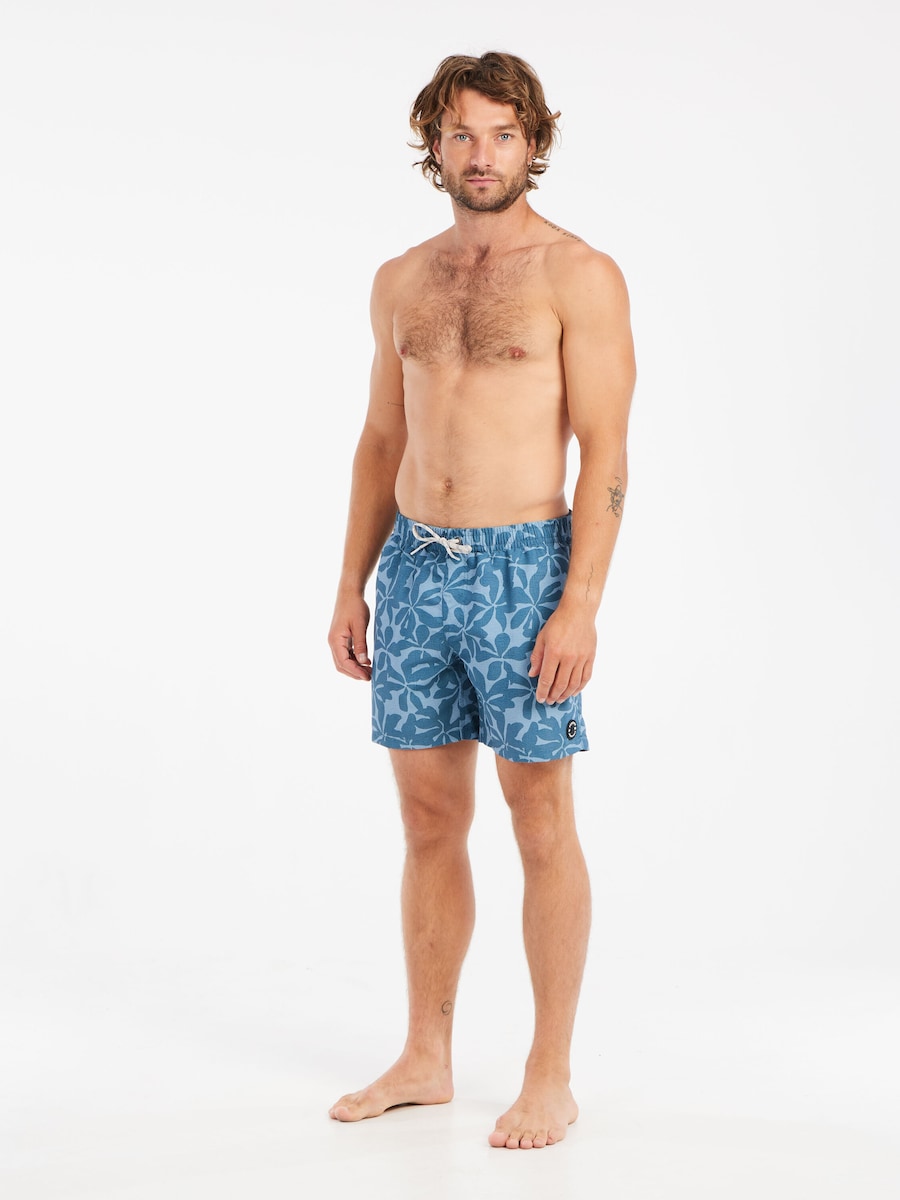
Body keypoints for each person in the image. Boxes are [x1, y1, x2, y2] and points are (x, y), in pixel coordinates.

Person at [326, 50, 635, 1150]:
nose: (482, 154)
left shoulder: (578, 275)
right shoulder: (401, 280)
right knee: (426, 819)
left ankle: (550, 1074)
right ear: (435, 145)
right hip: (414, 568)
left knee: (539, 818)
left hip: (524, 571)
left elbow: (605, 452)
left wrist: (579, 603)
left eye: (503, 134)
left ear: (533, 144)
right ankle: (426, 1055)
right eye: (462, 133)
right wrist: (351, 583)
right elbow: (381, 439)